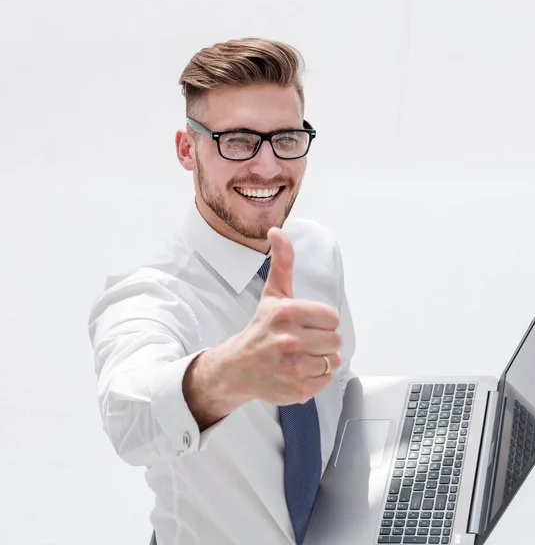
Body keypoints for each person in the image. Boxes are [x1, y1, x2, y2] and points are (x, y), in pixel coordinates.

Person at [87, 37, 357, 545]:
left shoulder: (316, 252)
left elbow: (335, 398)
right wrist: (232, 372)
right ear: (188, 150)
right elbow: (131, 415)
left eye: (286, 138)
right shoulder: (148, 291)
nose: (268, 166)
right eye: (237, 141)